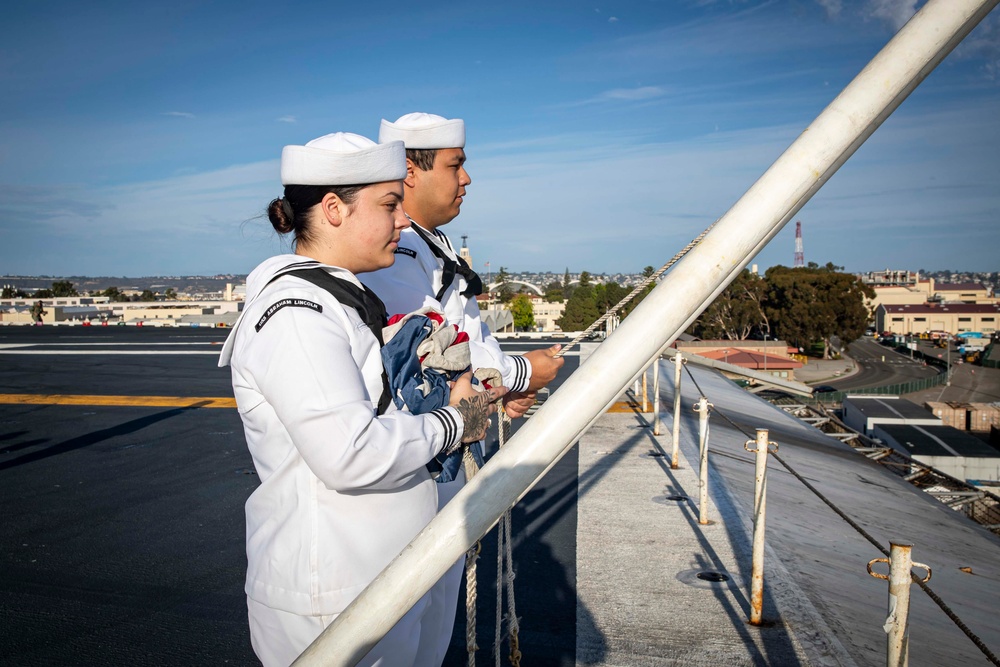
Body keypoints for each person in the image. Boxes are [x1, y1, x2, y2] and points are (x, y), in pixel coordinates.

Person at [217, 132, 507, 667]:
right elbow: (351, 453)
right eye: (390, 204)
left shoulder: (338, 301)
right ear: (333, 209)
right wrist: (453, 422)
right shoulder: (297, 314)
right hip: (335, 597)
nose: (402, 221)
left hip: (380, 578)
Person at [361, 113, 564, 662]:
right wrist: (522, 374)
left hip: (449, 451)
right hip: (416, 464)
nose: (466, 179)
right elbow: (425, 346)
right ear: (409, 169)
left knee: (430, 630)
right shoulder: (397, 252)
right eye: (456, 165)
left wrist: (502, 382)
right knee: (406, 636)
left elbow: (471, 331)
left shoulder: (431, 243)